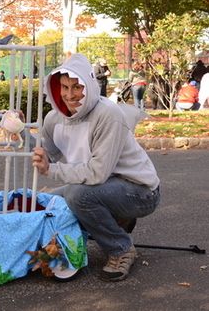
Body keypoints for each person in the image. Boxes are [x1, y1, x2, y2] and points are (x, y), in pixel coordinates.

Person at [32, 53, 160, 282]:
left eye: (76, 87)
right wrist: (19, 128)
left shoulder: (108, 114)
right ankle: (116, 218)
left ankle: (121, 249)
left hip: (140, 190)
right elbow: (47, 155)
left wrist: (51, 171)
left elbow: (97, 172)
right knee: (48, 201)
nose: (70, 95)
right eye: (64, 87)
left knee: (77, 196)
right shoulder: (53, 119)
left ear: (89, 86)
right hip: (104, 187)